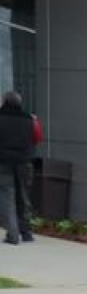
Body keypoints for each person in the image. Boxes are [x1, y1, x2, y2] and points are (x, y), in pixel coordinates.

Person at [0, 90, 41, 245]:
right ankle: (27, 233)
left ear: (4, 101)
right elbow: (37, 137)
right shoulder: (31, 119)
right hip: (24, 162)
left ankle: (13, 234)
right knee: (23, 197)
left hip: (3, 163)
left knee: (7, 197)